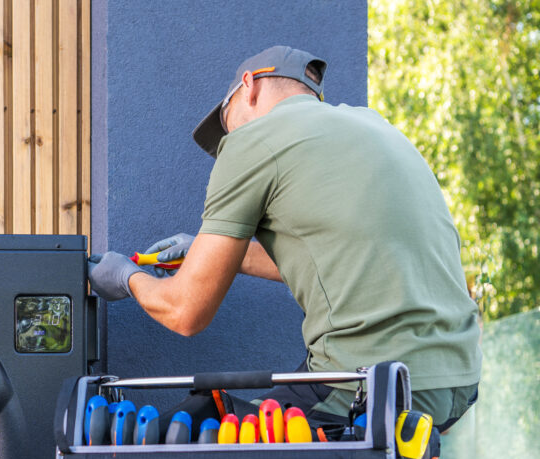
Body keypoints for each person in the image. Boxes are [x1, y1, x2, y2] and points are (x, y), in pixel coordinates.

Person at [88, 45, 481, 436]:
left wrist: (126, 277)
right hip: (456, 377)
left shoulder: (253, 140)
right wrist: (220, 255)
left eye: (229, 121)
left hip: (367, 383)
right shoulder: (377, 127)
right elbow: (338, 257)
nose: (230, 136)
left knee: (194, 429)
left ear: (249, 87)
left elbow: (185, 312)